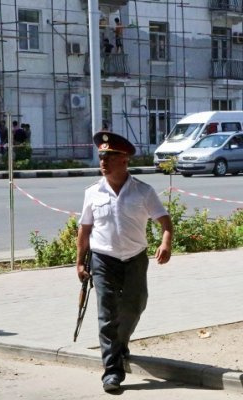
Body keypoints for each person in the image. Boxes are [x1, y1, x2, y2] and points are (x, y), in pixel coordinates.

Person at [76, 130, 172, 393]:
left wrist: (165, 243)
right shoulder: (93, 192)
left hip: (135, 259)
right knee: (107, 314)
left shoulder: (143, 191)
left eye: (109, 157)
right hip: (103, 260)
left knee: (135, 306)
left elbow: (165, 222)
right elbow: (84, 229)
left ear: (124, 159)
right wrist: (80, 262)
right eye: (101, 157)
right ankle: (112, 372)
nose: (103, 162)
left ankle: (121, 344)